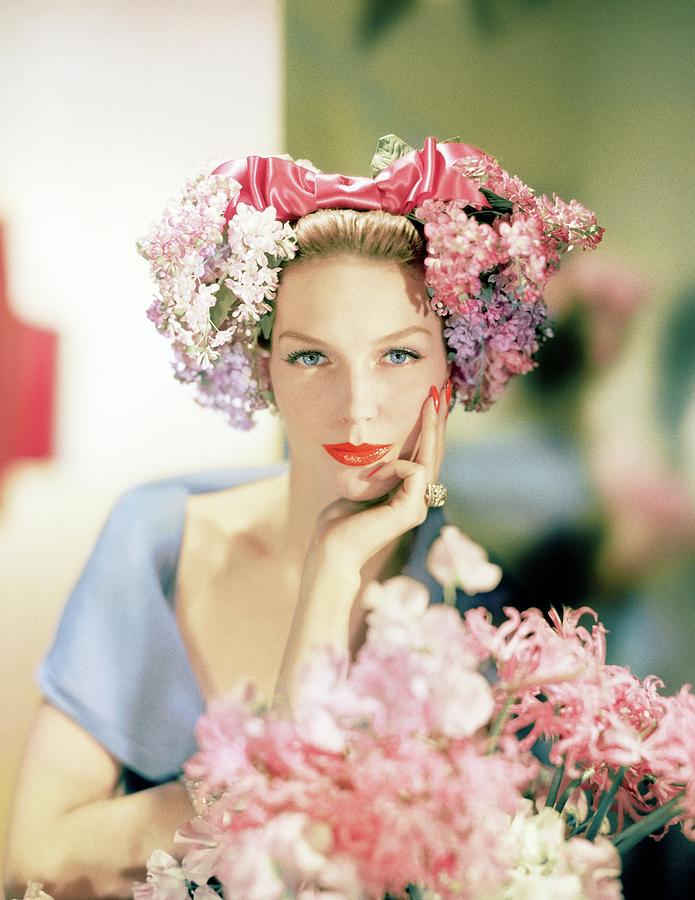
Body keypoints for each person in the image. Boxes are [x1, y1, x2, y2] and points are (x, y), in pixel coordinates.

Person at [4, 135, 602, 898]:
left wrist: (339, 561)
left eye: (397, 356)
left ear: (448, 374)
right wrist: (328, 575)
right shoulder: (156, 538)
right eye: (311, 357)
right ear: (264, 372)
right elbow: (34, 859)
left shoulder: (480, 609)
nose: (357, 407)